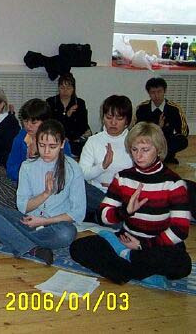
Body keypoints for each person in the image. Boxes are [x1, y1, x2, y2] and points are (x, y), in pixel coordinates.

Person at [70, 122, 191, 286]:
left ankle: (125, 267)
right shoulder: (123, 178)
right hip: (126, 240)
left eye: (145, 150)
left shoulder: (174, 183)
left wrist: (142, 245)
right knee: (78, 248)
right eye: (134, 149)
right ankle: (138, 270)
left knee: (182, 264)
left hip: (158, 245)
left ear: (158, 150)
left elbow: (180, 229)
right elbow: (103, 216)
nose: (138, 155)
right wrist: (124, 211)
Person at [0, 120, 85, 265]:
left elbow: (78, 213)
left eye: (52, 146)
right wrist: (45, 194)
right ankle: (32, 248)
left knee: (67, 233)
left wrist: (44, 221)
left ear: (62, 144)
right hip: (28, 221)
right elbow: (23, 207)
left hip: (55, 224)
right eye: (42, 145)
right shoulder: (28, 166)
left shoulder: (73, 168)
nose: (46, 151)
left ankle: (9, 236)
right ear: (36, 142)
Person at [0, 98, 70, 209]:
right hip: (21, 185)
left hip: (49, 188)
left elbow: (65, 171)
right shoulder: (21, 137)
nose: (28, 126)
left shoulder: (57, 140)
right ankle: (22, 206)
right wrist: (25, 171)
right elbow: (11, 168)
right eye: (25, 121)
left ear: (45, 122)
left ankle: (24, 207)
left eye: (34, 122)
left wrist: (35, 159)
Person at [79, 95, 133, 221]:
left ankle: (103, 216)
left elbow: (142, 176)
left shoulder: (134, 142)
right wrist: (102, 166)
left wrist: (117, 187)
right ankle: (110, 216)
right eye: (109, 117)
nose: (113, 123)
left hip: (124, 196)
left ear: (127, 120)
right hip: (97, 194)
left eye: (119, 118)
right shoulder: (93, 141)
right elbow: (82, 174)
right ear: (103, 118)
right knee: (77, 185)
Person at [134, 77, 188, 164]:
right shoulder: (142, 108)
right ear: (148, 93)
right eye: (153, 92)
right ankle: (153, 157)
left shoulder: (174, 109)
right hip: (148, 140)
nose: (156, 95)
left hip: (167, 141)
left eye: (159, 91)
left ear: (165, 91)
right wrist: (157, 128)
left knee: (182, 140)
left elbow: (184, 132)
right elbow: (137, 130)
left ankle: (164, 157)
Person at [46, 73, 91, 156]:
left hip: (75, 139)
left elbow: (83, 126)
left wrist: (70, 138)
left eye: (69, 88)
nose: (65, 91)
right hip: (55, 138)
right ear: (58, 88)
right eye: (62, 87)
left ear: (73, 89)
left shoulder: (80, 103)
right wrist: (67, 115)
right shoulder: (51, 102)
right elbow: (50, 124)